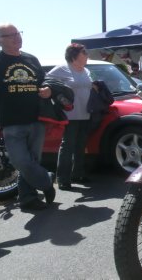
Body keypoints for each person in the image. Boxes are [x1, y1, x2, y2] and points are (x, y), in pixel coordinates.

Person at [0, 23, 56, 210]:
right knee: (20, 161)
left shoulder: (31, 59)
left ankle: (28, 198)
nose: (17, 37)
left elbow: (45, 79)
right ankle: (46, 180)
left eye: (18, 33)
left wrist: (48, 89)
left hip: (36, 119)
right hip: (11, 121)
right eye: (11, 35)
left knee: (31, 161)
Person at [47, 44, 93, 190]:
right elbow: (46, 81)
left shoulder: (86, 70)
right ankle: (62, 178)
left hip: (85, 113)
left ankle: (78, 174)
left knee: (80, 145)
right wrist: (58, 96)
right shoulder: (62, 69)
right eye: (84, 52)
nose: (87, 55)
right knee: (67, 146)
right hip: (69, 114)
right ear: (74, 55)